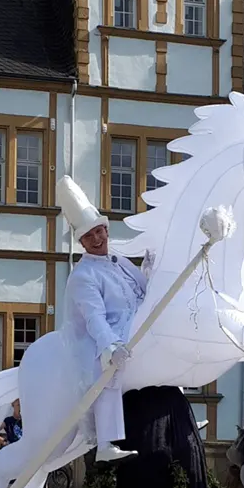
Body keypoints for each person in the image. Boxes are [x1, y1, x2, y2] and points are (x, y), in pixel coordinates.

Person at [58, 176, 148, 462]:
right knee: (109, 371)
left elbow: (141, 287)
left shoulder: (119, 260)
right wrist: (109, 346)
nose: (97, 239)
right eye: (89, 236)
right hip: (104, 335)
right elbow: (94, 316)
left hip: (135, 323)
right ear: (82, 242)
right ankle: (106, 441)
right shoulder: (83, 275)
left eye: (99, 232)